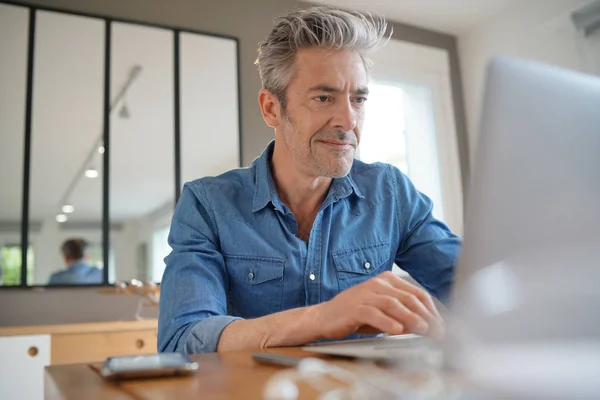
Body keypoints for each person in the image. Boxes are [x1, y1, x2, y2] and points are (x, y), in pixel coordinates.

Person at [158, 6, 460, 354]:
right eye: (323, 98)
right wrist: (322, 318)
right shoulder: (208, 205)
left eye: (358, 99)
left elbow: (477, 289)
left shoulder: (391, 193)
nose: (348, 121)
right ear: (272, 108)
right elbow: (181, 342)